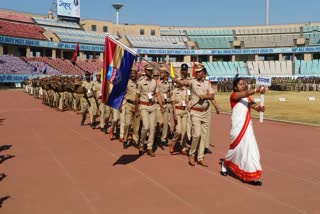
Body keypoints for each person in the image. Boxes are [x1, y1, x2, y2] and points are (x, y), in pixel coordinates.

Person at [220, 74, 265, 186]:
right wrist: (257, 89)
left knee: (251, 150)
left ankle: (251, 175)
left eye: (244, 83)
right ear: (235, 87)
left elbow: (254, 106)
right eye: (240, 84)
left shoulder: (248, 98)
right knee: (236, 150)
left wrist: (260, 108)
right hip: (237, 128)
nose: (243, 85)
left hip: (247, 128)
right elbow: (245, 93)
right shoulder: (234, 96)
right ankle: (225, 164)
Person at [173, 63, 215, 167]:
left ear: (203, 73)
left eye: (199, 72)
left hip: (204, 112)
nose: (197, 73)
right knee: (197, 134)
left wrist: (205, 96)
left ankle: (200, 157)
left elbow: (212, 96)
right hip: (195, 112)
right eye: (196, 72)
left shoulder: (207, 83)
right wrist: (176, 80)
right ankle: (191, 154)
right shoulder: (192, 81)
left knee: (203, 137)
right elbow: (183, 82)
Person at [135, 64, 164, 157]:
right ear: (145, 70)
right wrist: (136, 110)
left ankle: (149, 148)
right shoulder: (140, 82)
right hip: (144, 106)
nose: (150, 72)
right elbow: (137, 97)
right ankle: (141, 143)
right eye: (148, 70)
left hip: (153, 106)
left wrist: (161, 105)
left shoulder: (155, 82)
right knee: (146, 127)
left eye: (151, 70)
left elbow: (158, 94)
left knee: (153, 128)